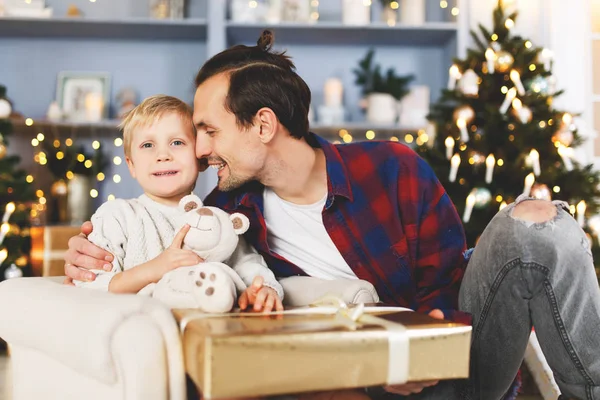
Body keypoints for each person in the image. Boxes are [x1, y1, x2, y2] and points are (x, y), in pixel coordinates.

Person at [64, 31, 600, 399]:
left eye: (209, 130)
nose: (199, 151)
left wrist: (419, 352)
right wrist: (88, 254)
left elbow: (449, 283)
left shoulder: (391, 167)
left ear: (263, 125)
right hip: (359, 378)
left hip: (454, 360)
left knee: (535, 219)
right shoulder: (226, 214)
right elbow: (155, 250)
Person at [70, 94, 283, 313]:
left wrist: (265, 288)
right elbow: (92, 286)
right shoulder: (117, 215)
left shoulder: (216, 219)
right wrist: (157, 267)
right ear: (131, 165)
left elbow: (249, 263)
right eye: (147, 145)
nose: (163, 155)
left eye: (177, 142)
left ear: (200, 157)